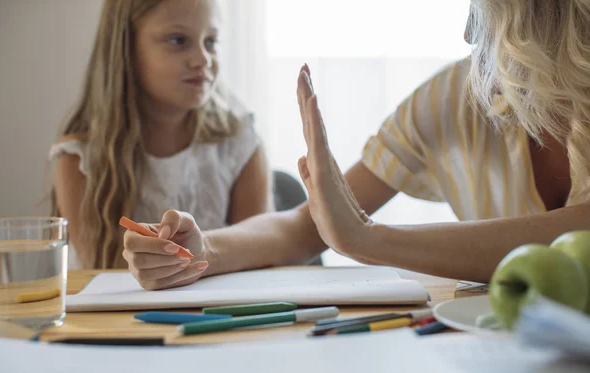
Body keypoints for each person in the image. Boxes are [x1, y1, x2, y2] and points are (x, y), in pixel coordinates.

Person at [124, 0, 590, 290]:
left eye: (485, 12)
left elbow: (579, 234)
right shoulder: (456, 97)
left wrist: (368, 239)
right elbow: (308, 227)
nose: (468, 34)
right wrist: (205, 250)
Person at [50, 0, 272, 271]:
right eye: (178, 40)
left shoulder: (239, 145)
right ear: (125, 48)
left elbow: (260, 259)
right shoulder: (81, 159)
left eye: (211, 42)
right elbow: (100, 272)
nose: (202, 59)